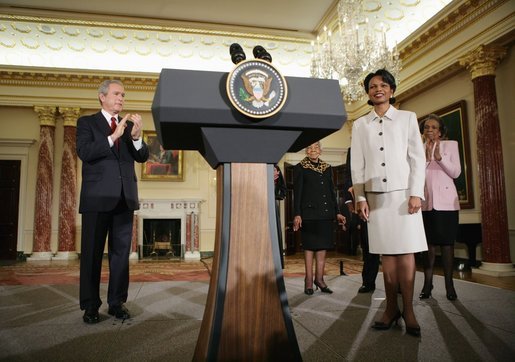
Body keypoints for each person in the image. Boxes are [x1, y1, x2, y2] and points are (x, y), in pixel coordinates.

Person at [351, 69, 427, 337]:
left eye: (383, 85)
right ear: (368, 93)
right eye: (372, 86)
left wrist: (416, 192)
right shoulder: (360, 125)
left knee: (406, 254)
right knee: (386, 256)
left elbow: (417, 158)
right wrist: (360, 197)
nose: (378, 89)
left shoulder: (407, 118)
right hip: (376, 198)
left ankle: (409, 310)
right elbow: (357, 165)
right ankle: (391, 308)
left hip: (405, 196)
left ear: (392, 90)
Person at [77, 79, 149, 324]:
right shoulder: (87, 123)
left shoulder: (129, 128)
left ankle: (117, 302)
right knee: (92, 255)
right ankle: (90, 306)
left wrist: (137, 137)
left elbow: (142, 157)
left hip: (124, 199)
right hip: (97, 200)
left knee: (120, 256)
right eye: (117, 94)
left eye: (123, 95)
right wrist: (113, 136)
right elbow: (85, 152)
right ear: (102, 96)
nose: (121, 98)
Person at [293, 142, 346, 295]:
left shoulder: (327, 168)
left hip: (325, 214)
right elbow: (298, 193)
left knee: (322, 247)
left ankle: (320, 279)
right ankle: (309, 281)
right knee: (309, 247)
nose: (313, 150)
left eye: (316, 148)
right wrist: (297, 213)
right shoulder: (300, 167)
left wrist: (337, 212)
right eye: (309, 148)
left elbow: (331, 191)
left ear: (321, 151)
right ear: (306, 151)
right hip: (308, 214)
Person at [419, 114, 461, 301]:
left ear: (441, 130)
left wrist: (439, 157)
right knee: (427, 246)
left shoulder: (450, 145)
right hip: (426, 203)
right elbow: (415, 176)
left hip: (447, 204)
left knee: (446, 245)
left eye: (434, 127)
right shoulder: (418, 149)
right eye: (427, 127)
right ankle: (427, 284)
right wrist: (427, 159)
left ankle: (449, 286)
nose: (430, 130)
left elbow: (456, 172)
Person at [344, 147, 380, 293]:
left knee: (392, 243)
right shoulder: (353, 150)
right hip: (363, 201)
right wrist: (350, 201)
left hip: (386, 199)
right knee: (368, 244)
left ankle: (396, 281)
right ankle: (368, 281)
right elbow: (349, 176)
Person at [274, 164, 287, 269]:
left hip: (272, 207)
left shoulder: (275, 167)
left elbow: (283, 192)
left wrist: (274, 183)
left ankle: (276, 264)